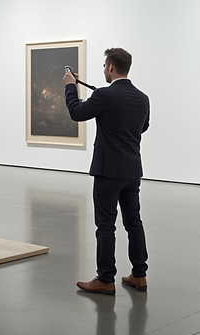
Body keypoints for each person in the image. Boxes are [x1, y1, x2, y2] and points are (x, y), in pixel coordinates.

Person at [63, 48, 150, 295]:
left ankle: (105, 278)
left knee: (105, 226)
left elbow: (76, 113)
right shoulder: (143, 98)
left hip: (108, 171)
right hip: (132, 171)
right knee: (134, 223)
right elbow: (142, 126)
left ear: (111, 67)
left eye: (104, 66)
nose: (103, 70)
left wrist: (70, 86)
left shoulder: (105, 95)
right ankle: (139, 275)